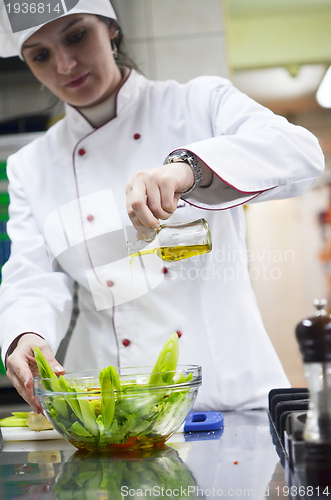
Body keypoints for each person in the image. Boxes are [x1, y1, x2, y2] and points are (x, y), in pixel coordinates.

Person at [0, 0, 324, 413]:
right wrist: (25, 333)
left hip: (226, 397)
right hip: (116, 410)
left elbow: (302, 155)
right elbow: (33, 277)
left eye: (77, 35)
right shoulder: (32, 165)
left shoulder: (198, 103)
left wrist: (191, 169)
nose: (64, 65)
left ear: (110, 28)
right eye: (40, 55)